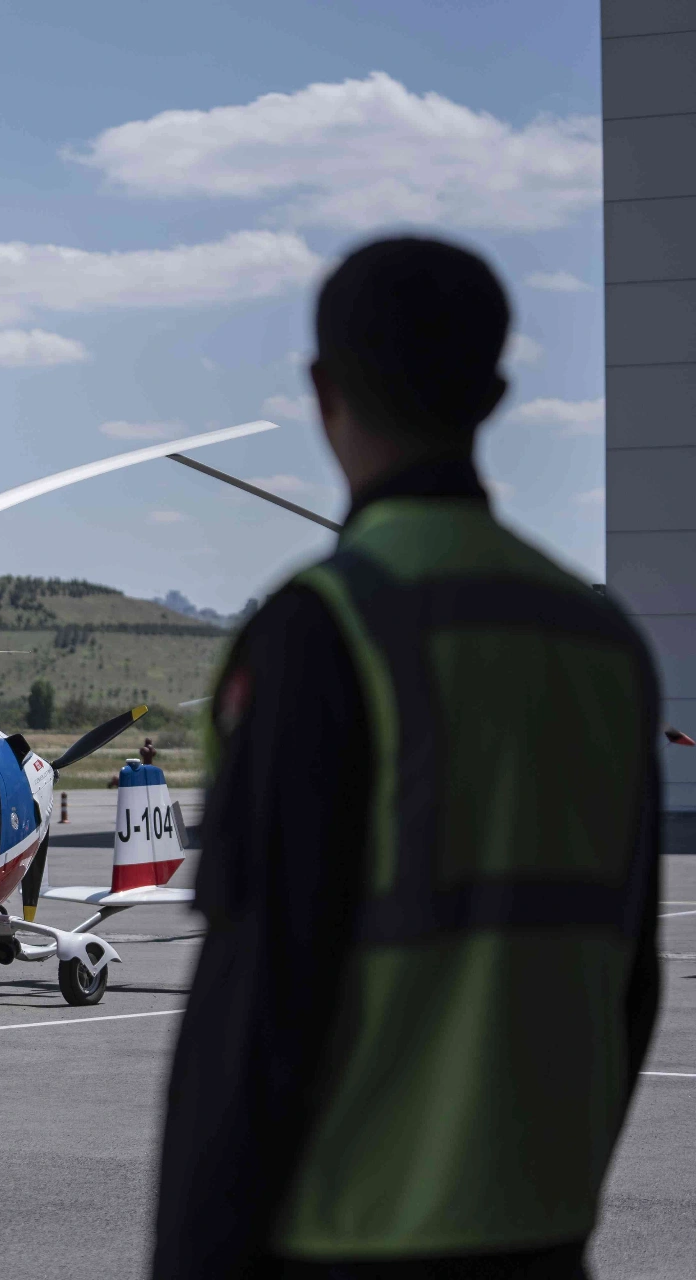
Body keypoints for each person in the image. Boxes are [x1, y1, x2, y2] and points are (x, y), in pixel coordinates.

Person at [151, 237, 662, 1279]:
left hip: (349, 1235)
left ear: (322, 390)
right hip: (547, 1237)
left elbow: (259, 1007)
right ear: (497, 392)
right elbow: (633, 976)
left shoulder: (322, 631)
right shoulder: (601, 641)